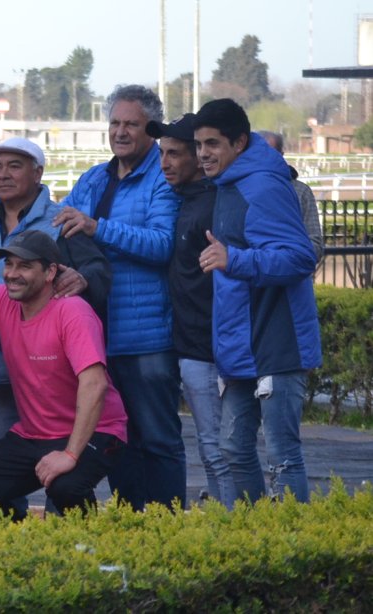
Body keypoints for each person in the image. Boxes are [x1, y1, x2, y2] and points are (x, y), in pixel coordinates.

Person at [0, 231, 129, 522]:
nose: (12, 274)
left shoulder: (73, 312)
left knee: (65, 488)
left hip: (97, 431)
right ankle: (29, 540)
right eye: (9, 264)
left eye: (24, 266)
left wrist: (70, 455)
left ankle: (91, 543)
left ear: (50, 272)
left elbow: (95, 384)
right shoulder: (1, 300)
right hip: (34, 434)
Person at [53, 84, 185, 510]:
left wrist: (97, 228)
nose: (121, 132)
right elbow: (58, 226)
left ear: (152, 129)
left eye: (131, 124)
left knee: (158, 440)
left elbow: (162, 244)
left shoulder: (162, 178)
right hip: (97, 338)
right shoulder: (94, 177)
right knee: (116, 441)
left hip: (146, 339)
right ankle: (129, 527)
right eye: (114, 123)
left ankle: (168, 529)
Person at [0, 138, 112, 496]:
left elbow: (98, 268)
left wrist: (85, 278)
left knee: (61, 482)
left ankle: (64, 531)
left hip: (50, 378)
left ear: (38, 173)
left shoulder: (60, 221)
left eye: (14, 166)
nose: (3, 174)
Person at [195, 98, 321, 506]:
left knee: (282, 456)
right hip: (242, 345)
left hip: (277, 343)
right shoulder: (227, 182)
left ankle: (290, 539)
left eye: (212, 144)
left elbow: (300, 257)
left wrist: (234, 259)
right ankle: (254, 533)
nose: (203, 154)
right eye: (199, 145)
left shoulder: (264, 186)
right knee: (233, 448)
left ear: (239, 143)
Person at [146, 113, 229, 503]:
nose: (164, 163)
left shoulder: (212, 206)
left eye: (174, 153)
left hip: (209, 349)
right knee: (212, 447)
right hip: (192, 345)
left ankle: (233, 523)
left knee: (218, 448)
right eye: (162, 153)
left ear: (198, 156)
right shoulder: (187, 200)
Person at [258, 130, 324, 262]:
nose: (263, 158)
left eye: (270, 153)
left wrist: (287, 257)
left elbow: (315, 246)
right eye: (258, 153)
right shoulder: (236, 190)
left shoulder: (301, 192)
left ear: (281, 155)